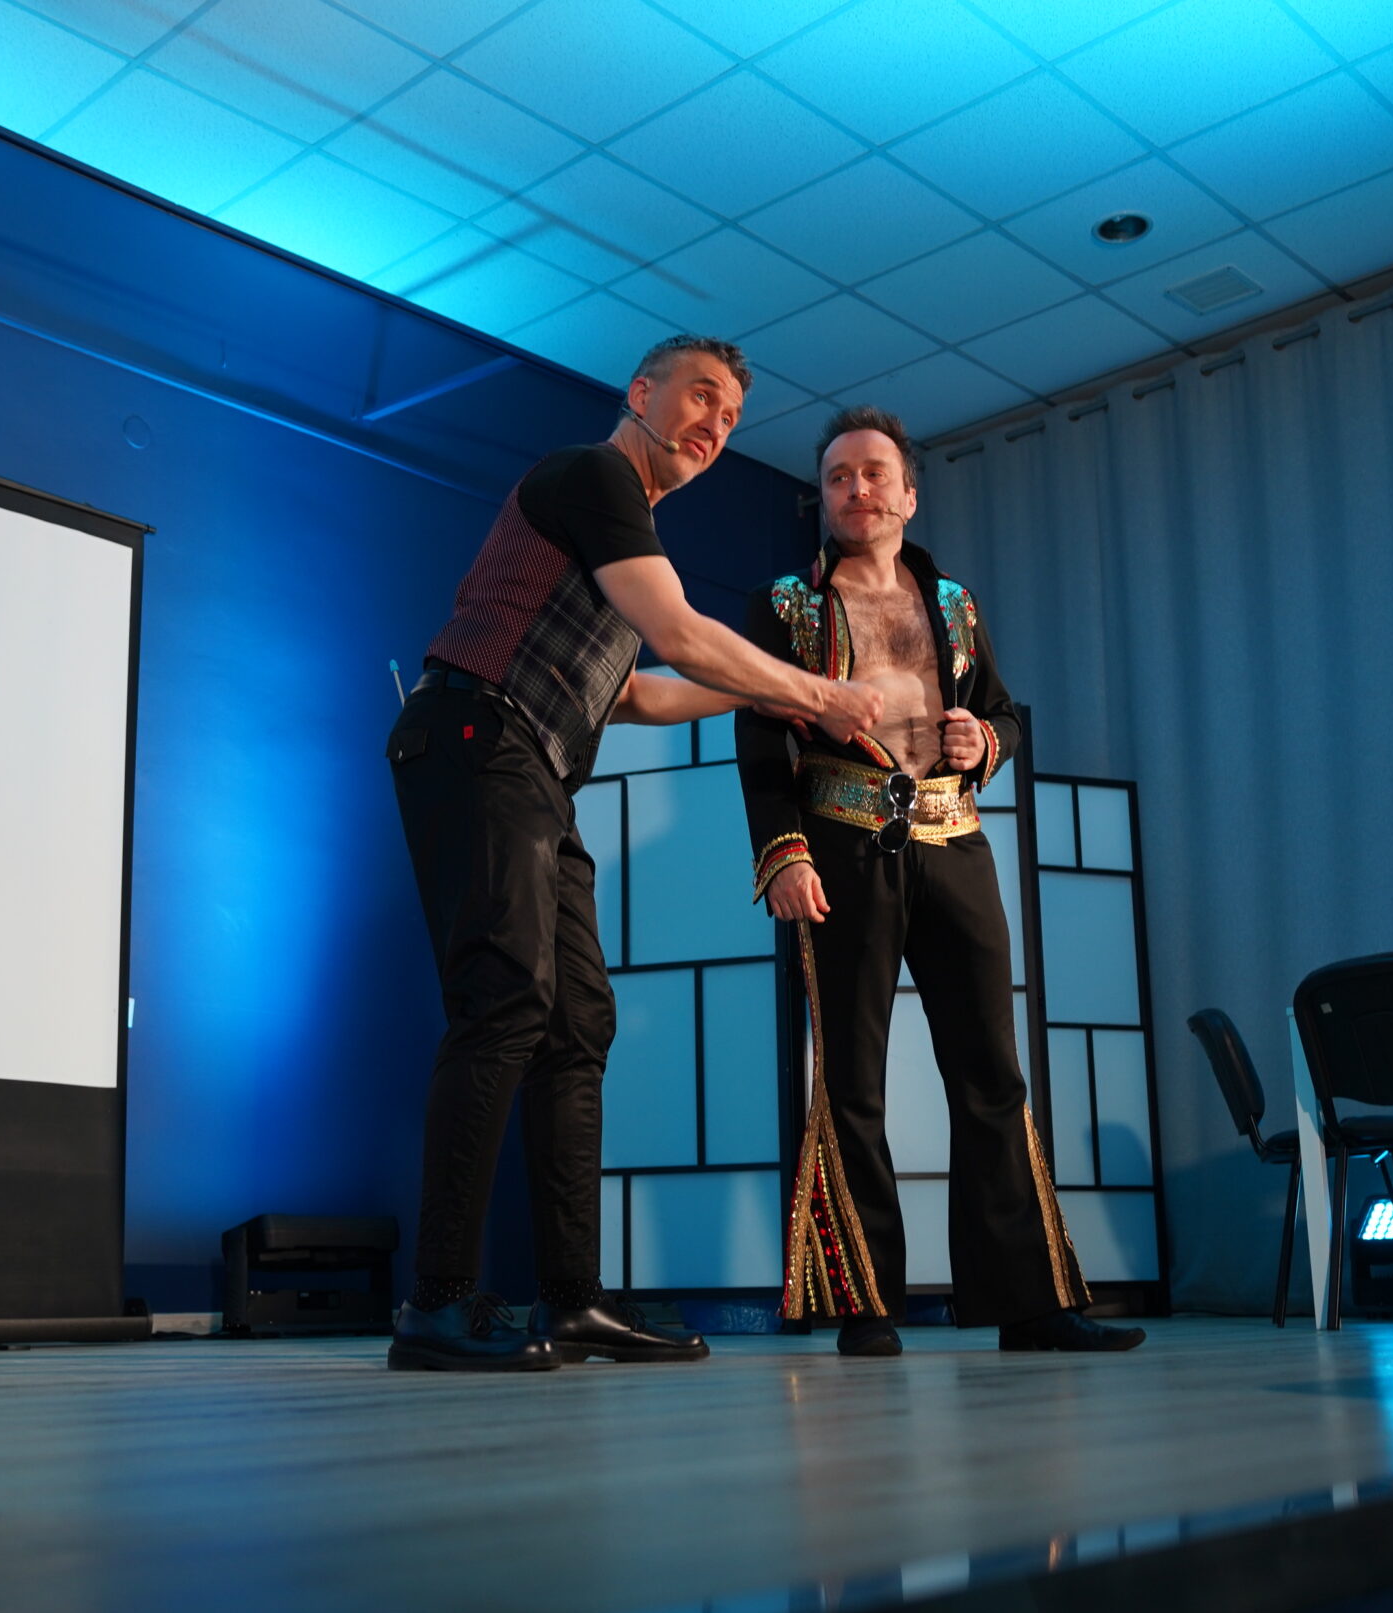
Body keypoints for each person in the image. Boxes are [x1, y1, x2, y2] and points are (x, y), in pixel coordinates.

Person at [386, 337, 886, 1372]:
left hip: (535, 766)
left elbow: (638, 694)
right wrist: (817, 691)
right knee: (505, 1001)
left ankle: (573, 1300)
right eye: (701, 397)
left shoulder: (622, 535)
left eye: (731, 418)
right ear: (641, 393)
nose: (715, 425)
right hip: (475, 737)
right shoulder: (593, 477)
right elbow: (681, 634)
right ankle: (435, 1305)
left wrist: (779, 696)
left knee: (578, 1022)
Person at [735, 406, 1146, 1357]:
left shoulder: (955, 603)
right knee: (852, 1078)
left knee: (991, 1073)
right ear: (823, 497)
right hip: (841, 842)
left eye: (874, 472)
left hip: (955, 839)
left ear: (909, 495)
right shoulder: (787, 606)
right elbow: (758, 738)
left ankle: (1028, 1303)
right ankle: (867, 1305)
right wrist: (784, 853)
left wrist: (984, 739)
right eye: (838, 477)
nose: (856, 489)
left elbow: (1003, 711)